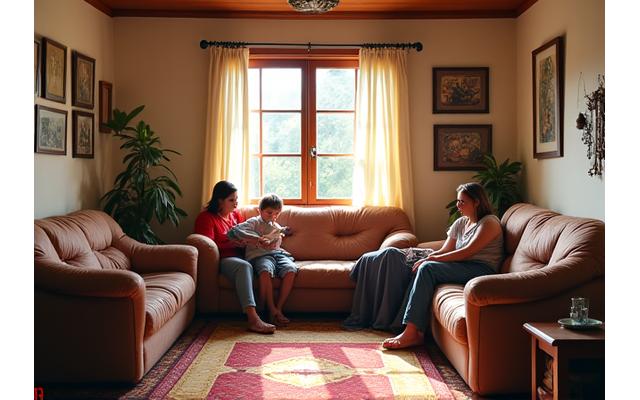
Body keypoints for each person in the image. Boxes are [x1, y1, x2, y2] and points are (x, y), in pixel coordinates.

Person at [343, 183, 503, 350]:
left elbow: (467, 252)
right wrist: (427, 257)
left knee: (428, 268)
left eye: (462, 202)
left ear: (477, 202)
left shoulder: (489, 223)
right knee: (417, 266)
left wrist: (430, 260)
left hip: (480, 269)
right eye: (457, 201)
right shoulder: (461, 223)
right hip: (461, 265)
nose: (458, 205)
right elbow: (446, 250)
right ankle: (402, 324)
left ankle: (413, 333)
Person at [194, 180, 276, 334]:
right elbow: (207, 247)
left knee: (263, 264)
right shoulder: (206, 218)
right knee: (244, 266)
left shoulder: (235, 215)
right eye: (231, 200)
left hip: (243, 255)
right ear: (220, 201)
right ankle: (253, 319)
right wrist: (233, 244)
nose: (236, 203)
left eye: (237, 199)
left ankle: (268, 310)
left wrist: (249, 242)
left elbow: (245, 233)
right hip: (225, 259)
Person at [228, 193, 297, 326]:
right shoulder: (254, 222)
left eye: (277, 213)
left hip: (277, 254)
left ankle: (279, 308)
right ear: (260, 210)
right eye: (269, 213)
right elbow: (235, 231)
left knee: (291, 270)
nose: (273, 217)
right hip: (260, 256)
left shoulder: (276, 225)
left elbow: (277, 242)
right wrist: (258, 239)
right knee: (265, 270)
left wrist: (282, 233)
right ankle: (271, 309)